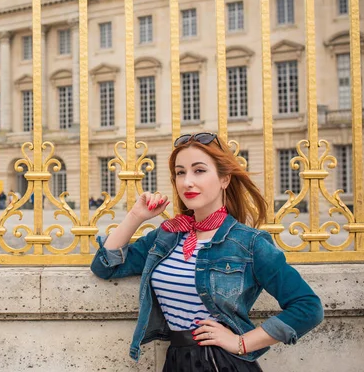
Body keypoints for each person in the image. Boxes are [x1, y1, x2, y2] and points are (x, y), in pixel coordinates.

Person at [91, 132, 323, 371]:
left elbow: (307, 307)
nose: (187, 182)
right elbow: (105, 266)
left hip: (221, 363)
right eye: (180, 172)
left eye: (199, 170)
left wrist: (242, 342)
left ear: (224, 179)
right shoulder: (167, 235)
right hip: (176, 362)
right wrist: (135, 216)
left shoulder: (249, 243)